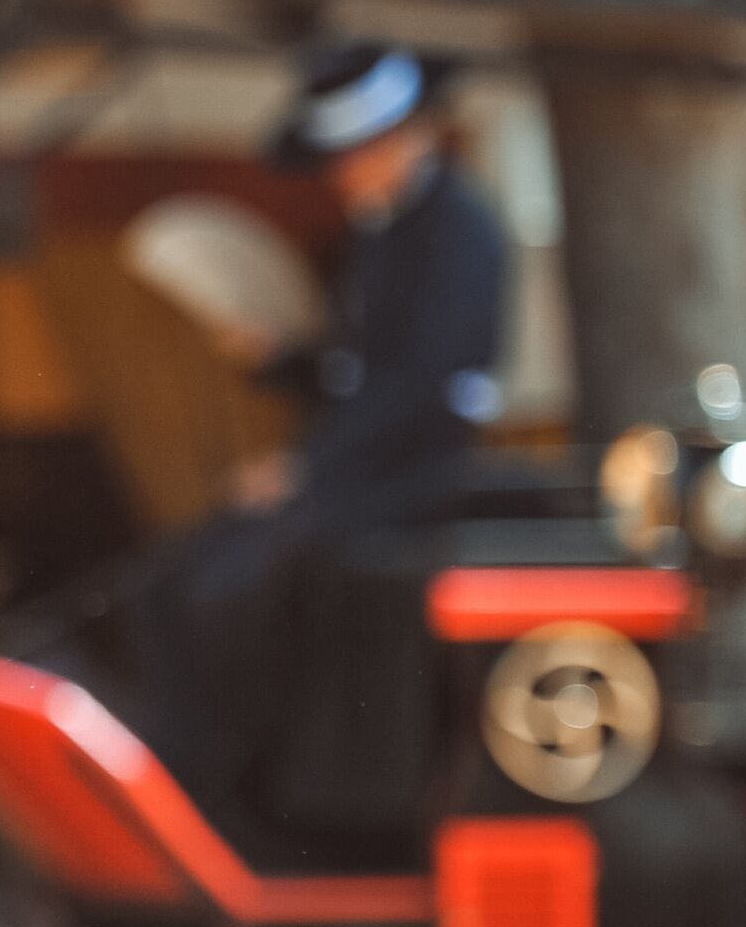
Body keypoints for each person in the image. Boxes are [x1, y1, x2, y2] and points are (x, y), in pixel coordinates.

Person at [134, 40, 508, 807]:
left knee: (234, 585)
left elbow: (418, 385)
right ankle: (187, 770)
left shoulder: (461, 233)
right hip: (352, 469)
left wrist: (307, 469)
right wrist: (282, 362)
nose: (347, 172)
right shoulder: (376, 234)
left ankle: (247, 785)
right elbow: (354, 371)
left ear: (411, 135)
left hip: (415, 475)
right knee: (171, 577)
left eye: (360, 151)